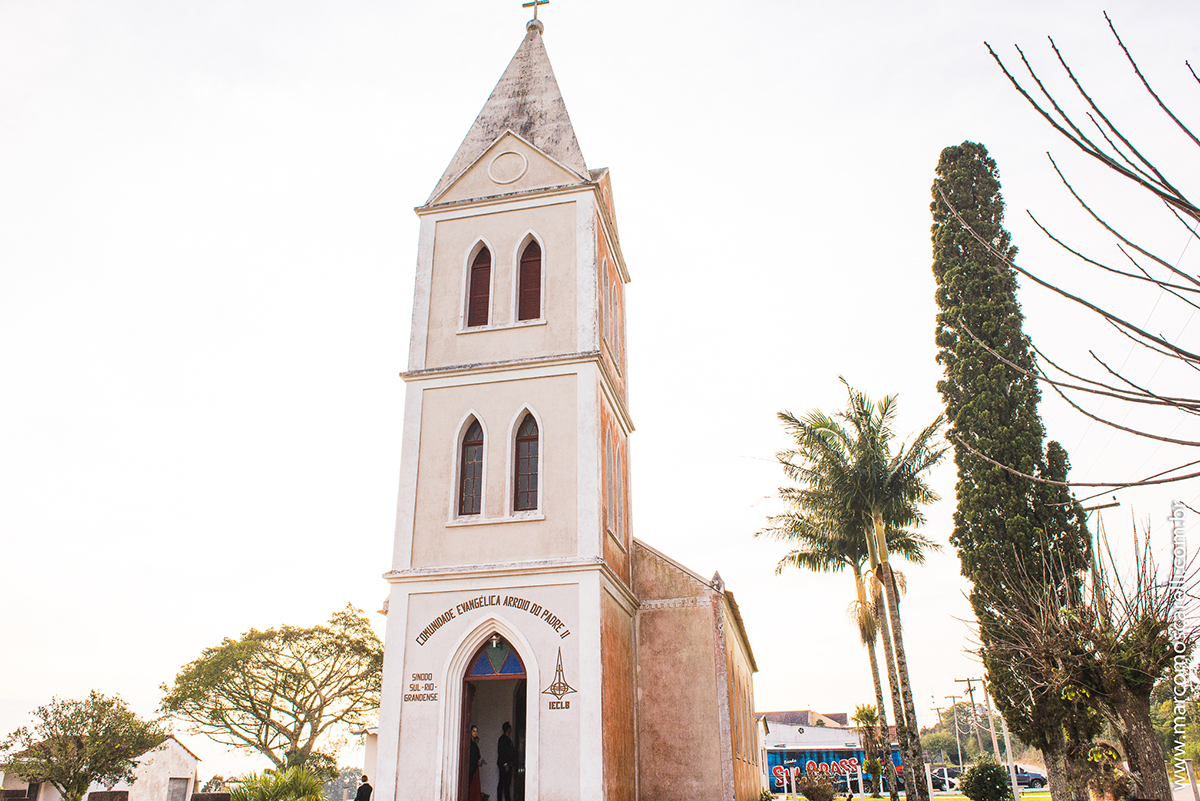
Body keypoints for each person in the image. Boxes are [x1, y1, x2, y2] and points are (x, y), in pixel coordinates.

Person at [496, 722, 515, 801]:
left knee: (507, 783)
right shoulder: (503, 739)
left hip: (507, 764)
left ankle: (507, 798)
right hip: (504, 765)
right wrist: (505, 764)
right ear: (508, 729)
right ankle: (500, 799)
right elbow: (502, 752)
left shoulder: (506, 739)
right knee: (503, 783)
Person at [467, 725, 482, 801]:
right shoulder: (469, 743)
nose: (475, 733)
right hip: (470, 768)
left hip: (474, 769)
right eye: (473, 731)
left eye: (476, 731)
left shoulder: (474, 744)